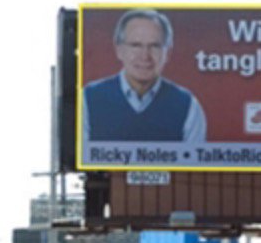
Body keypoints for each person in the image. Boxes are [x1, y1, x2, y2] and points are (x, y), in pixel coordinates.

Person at [83, 8, 208, 144]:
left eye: (154, 46)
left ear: (168, 53)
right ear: (119, 50)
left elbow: (194, 163)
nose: (145, 56)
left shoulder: (188, 106)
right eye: (135, 45)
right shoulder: (88, 100)